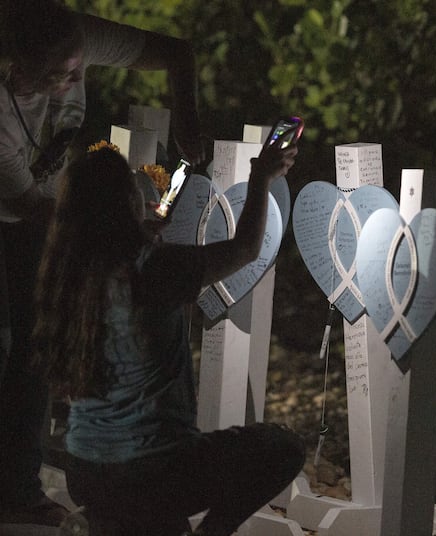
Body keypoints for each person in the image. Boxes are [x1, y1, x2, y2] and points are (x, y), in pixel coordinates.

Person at [0, 0, 205, 527]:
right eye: (59, 75)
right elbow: (37, 213)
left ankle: (18, 488)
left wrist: (188, 117)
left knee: (34, 341)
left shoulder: (75, 36)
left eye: (79, 67)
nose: (74, 80)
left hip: (43, 205)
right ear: (16, 68)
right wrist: (124, 237)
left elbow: (177, 54)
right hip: (18, 206)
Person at [33, 141, 304, 535]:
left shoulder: (67, 278)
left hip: (85, 472)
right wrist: (261, 178)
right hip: (155, 470)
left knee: (159, 518)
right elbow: (245, 249)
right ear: (127, 204)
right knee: (282, 447)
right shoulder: (157, 269)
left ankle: (103, 517)